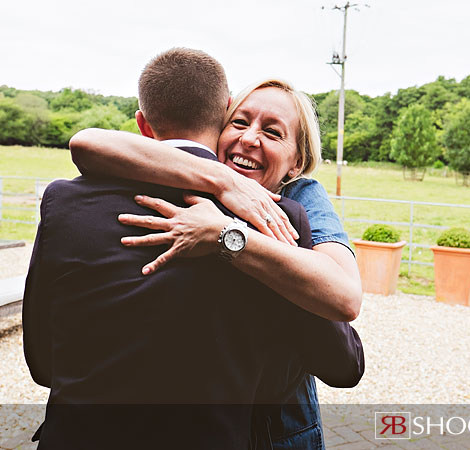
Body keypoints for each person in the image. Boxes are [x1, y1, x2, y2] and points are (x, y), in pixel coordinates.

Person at [23, 48, 364, 450]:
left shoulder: (64, 201)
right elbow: (342, 362)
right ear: (222, 117)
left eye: (273, 132)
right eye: (240, 121)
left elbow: (44, 363)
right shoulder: (282, 222)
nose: (250, 138)